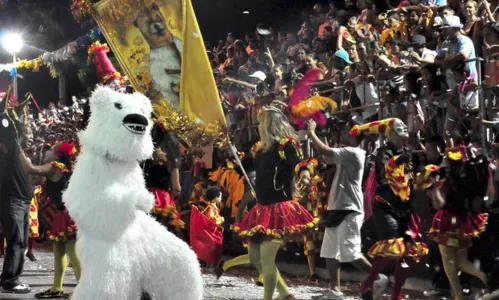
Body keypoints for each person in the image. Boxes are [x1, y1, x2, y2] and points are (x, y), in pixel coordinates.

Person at [234, 105, 318, 300]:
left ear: (269, 123)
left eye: (261, 121)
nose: (258, 125)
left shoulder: (287, 144)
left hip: (279, 210)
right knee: (256, 259)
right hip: (261, 209)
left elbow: (299, 164)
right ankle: (286, 294)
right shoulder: (259, 150)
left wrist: (304, 177)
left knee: (267, 259)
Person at [306, 116, 388, 299]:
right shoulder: (348, 152)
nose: (342, 132)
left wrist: (311, 132)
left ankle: (378, 278)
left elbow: (324, 150)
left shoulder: (354, 152)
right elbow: (328, 157)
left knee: (350, 253)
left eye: (345, 130)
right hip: (337, 207)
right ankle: (335, 290)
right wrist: (322, 133)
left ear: (354, 133)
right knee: (329, 251)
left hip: (349, 208)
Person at [355, 118, 429, 300]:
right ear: (391, 132)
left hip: (405, 208)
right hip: (386, 207)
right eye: (399, 126)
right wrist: (398, 182)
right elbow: (383, 177)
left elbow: (411, 178)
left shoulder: (409, 153)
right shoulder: (383, 152)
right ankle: (369, 282)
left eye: (405, 125)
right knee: (392, 248)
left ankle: (396, 295)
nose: (404, 127)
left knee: (407, 254)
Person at [34, 143, 82, 299]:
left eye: (51, 150)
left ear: (57, 155)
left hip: (65, 215)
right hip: (63, 213)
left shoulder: (56, 166)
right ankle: (56, 288)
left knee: (72, 252)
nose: (48, 151)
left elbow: (31, 170)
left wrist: (17, 149)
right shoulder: (65, 168)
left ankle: (86, 289)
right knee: (60, 251)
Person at [190, 186, 224, 269]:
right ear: (216, 198)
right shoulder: (211, 208)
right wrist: (221, 219)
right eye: (220, 197)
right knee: (213, 248)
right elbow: (212, 219)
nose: (221, 198)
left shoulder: (211, 207)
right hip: (211, 233)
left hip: (213, 231)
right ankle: (210, 267)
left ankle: (210, 266)